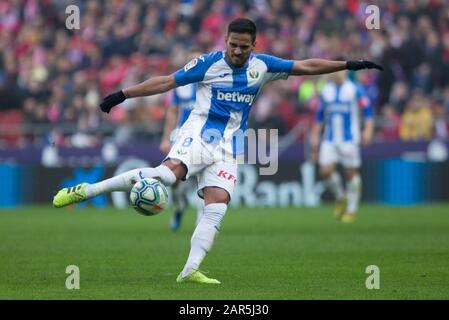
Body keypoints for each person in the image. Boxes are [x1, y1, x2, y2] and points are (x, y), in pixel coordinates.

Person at [53, 18, 382, 284]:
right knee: (166, 177)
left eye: (243, 46)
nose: (236, 51)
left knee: (218, 204)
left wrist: (347, 64)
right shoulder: (208, 63)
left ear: (254, 46)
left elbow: (306, 66)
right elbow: (167, 82)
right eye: (232, 44)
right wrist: (122, 95)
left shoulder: (263, 67)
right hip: (198, 134)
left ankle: (189, 270)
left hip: (230, 147)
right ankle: (86, 190)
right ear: (225, 41)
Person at [309, 70, 374, 223]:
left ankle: (352, 210)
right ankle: (341, 196)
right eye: (333, 70)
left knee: (351, 173)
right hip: (329, 139)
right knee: (325, 172)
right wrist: (315, 135)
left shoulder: (355, 89)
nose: (336, 73)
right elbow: (319, 116)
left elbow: (367, 110)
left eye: (339, 70)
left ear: (345, 72)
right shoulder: (326, 90)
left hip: (349, 139)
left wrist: (369, 129)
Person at [160, 50, 204, 231]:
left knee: (205, 179)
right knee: (174, 181)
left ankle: (202, 223)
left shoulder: (214, 84)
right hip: (182, 136)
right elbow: (172, 112)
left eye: (199, 60)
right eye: (192, 60)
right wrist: (165, 138)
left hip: (206, 137)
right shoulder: (181, 85)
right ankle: (179, 207)